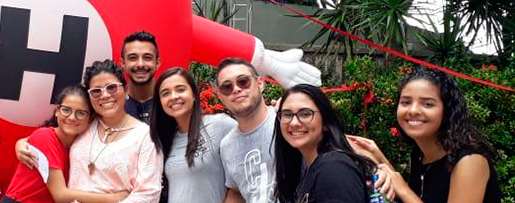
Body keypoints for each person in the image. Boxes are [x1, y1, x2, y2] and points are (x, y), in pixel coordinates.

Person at [348, 67, 501, 203]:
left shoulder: (469, 161)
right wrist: (377, 155)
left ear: (447, 111)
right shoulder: (420, 154)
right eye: (406, 102)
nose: (413, 110)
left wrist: (403, 190)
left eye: (427, 104)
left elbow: (407, 194)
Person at [3, 84, 129, 203]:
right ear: (57, 111)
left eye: (81, 113)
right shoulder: (45, 136)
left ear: (90, 119)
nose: (72, 117)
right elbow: (60, 195)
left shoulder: (82, 146)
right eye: (66, 110)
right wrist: (113, 199)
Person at [69, 59, 162, 202]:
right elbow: (56, 138)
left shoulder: (145, 137)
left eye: (111, 87)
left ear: (126, 90)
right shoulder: (83, 125)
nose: (105, 95)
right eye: (96, 91)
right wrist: (23, 144)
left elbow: (148, 194)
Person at [274, 84, 376, 203]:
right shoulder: (303, 169)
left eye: (306, 114)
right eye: (287, 114)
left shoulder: (334, 168)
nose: (294, 122)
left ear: (326, 122)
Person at [149, 67, 237, 203]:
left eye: (180, 89)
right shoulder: (166, 139)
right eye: (165, 93)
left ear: (194, 94)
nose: (173, 96)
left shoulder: (220, 125)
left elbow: (242, 179)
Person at [215, 57, 276, 203]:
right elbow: (236, 190)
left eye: (243, 81)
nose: (236, 89)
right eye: (227, 87)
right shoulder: (227, 145)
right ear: (221, 97)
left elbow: (335, 146)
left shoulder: (287, 122)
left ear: (260, 83)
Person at [121, 31, 161, 123]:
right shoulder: (114, 103)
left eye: (147, 57)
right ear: (123, 63)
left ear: (157, 63)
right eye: (133, 58)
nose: (140, 64)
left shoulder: (171, 100)